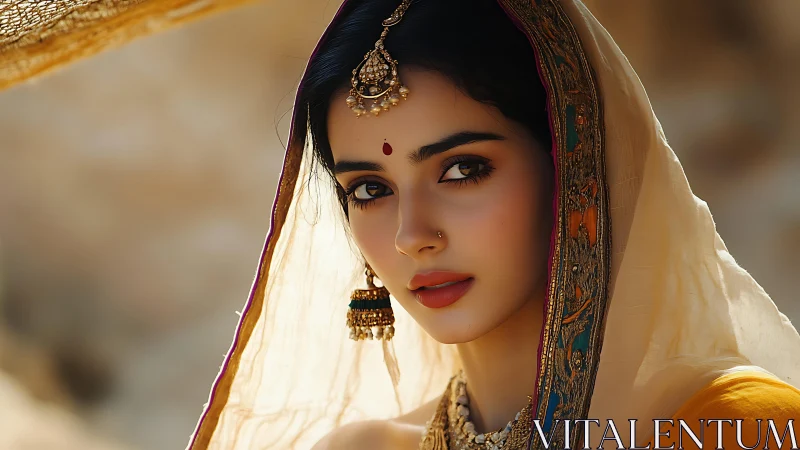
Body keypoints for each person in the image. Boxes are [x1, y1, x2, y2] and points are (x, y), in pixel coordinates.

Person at [180, 0, 800, 448]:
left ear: (574, 165)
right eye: (370, 189)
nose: (411, 234)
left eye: (462, 170)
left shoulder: (732, 427)